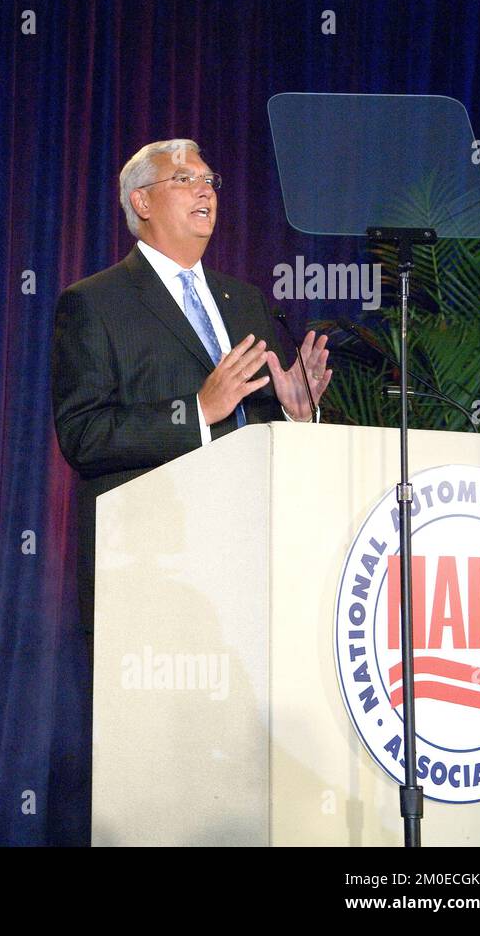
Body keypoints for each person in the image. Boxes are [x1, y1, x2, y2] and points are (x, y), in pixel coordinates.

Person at [51, 139, 332, 625]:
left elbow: (257, 425)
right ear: (141, 201)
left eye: (209, 181)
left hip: (251, 557)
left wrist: (294, 415)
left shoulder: (245, 300)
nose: (205, 191)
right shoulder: (95, 303)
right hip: (151, 569)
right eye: (184, 180)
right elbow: (85, 436)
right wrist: (198, 411)